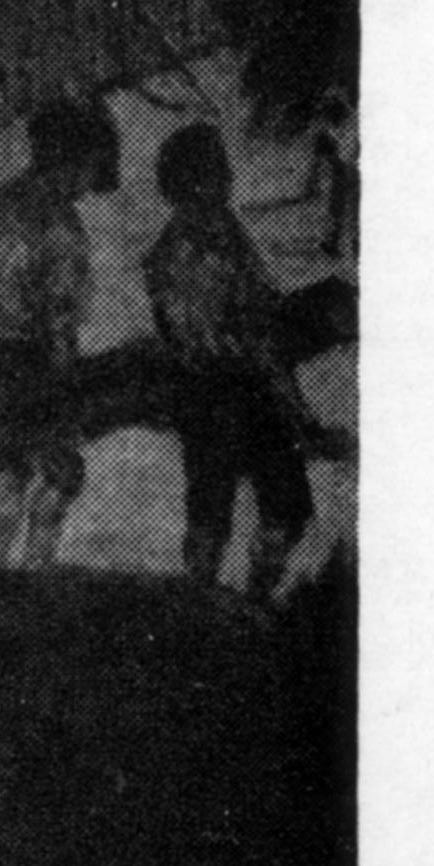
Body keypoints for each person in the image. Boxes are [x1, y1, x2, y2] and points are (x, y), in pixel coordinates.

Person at [0, 91, 117, 568]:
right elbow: (60, 322)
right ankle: (36, 568)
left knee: (10, 462)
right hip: (23, 359)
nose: (90, 183)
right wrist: (67, 391)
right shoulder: (62, 229)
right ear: (74, 161)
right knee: (63, 469)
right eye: (89, 168)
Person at [142, 121, 319, 603]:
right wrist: (294, 404)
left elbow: (257, 300)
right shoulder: (182, 251)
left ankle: (246, 601)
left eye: (223, 171)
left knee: (276, 507)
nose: (227, 181)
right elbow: (222, 334)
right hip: (221, 391)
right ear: (192, 185)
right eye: (216, 173)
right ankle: (211, 604)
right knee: (220, 512)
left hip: (235, 389)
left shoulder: (221, 230)